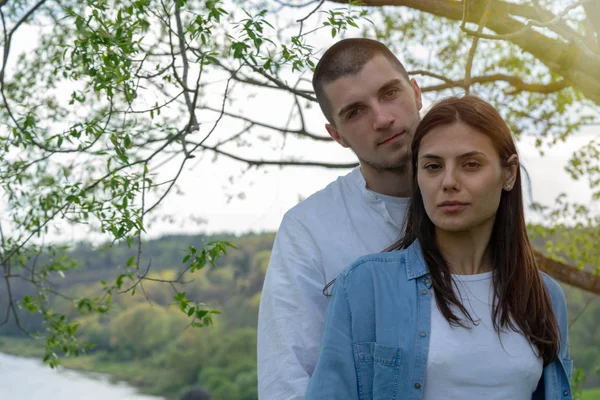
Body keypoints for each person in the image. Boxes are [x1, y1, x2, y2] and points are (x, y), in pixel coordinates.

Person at [306, 95, 573, 400]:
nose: (448, 182)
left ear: (508, 173)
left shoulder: (545, 296)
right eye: (432, 166)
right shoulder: (366, 286)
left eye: (470, 164)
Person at [257, 38, 423, 399]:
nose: (382, 119)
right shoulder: (310, 229)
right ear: (337, 135)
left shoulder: (479, 200)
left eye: (390, 92)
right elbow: (286, 379)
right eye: (355, 112)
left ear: (416, 92)